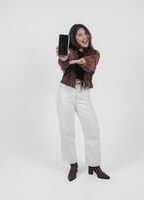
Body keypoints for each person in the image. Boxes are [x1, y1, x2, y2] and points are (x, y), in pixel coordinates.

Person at [56, 24, 110, 181]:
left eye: (86, 34)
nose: (84, 37)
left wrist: (81, 61)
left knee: (92, 129)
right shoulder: (70, 52)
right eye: (80, 34)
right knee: (67, 130)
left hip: (83, 94)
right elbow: (65, 62)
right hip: (65, 91)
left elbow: (91, 63)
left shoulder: (94, 54)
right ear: (74, 37)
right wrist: (64, 58)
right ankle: (73, 164)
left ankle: (94, 165)